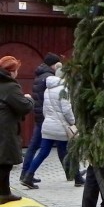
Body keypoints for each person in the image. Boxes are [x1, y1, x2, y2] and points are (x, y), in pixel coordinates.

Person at [24, 68, 84, 186]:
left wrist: (49, 120)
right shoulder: (63, 89)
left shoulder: (48, 89)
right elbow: (66, 109)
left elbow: (45, 109)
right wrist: (72, 122)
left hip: (48, 125)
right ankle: (77, 178)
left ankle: (28, 176)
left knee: (43, 152)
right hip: (60, 128)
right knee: (69, 152)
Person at [19, 52, 60, 188]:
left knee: (35, 146)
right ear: (53, 65)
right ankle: (27, 174)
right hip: (47, 117)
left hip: (40, 116)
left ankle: (25, 173)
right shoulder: (49, 78)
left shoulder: (40, 76)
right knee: (44, 148)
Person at [0, 56, 34, 204]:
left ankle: (5, 192)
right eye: (16, 70)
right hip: (5, 128)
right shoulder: (10, 86)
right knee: (5, 162)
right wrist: (29, 98)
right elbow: (24, 106)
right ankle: (4, 194)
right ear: (11, 71)